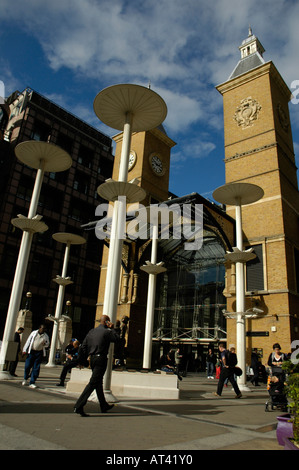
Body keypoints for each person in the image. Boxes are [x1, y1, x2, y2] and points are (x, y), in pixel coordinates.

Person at [73, 315, 120, 417]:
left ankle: (103, 405)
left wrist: (81, 360)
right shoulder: (107, 332)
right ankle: (79, 405)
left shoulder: (91, 332)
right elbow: (117, 339)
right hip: (101, 359)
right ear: (107, 322)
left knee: (98, 382)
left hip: (92, 359)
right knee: (93, 382)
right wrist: (113, 329)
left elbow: (83, 346)